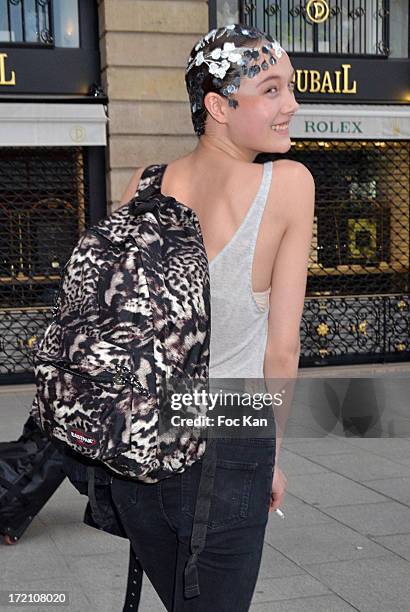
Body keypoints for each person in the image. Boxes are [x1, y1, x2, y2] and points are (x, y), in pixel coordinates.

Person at [111, 23, 315, 611]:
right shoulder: (289, 184)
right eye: (272, 89)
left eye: (291, 88)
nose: (291, 104)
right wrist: (272, 455)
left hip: (141, 445)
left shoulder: (145, 185)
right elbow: (282, 350)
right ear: (218, 106)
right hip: (231, 432)